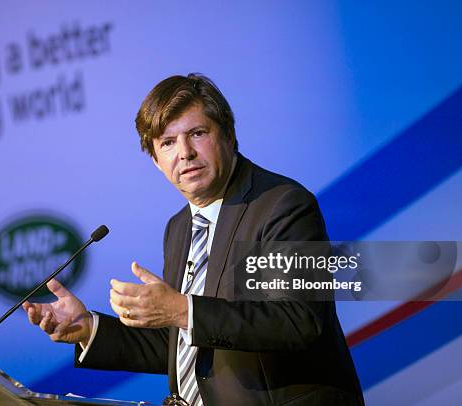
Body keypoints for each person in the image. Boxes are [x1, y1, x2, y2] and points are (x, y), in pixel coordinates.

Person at [23, 74, 364, 405]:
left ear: (229, 135)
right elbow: (185, 343)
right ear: (156, 161)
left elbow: (296, 321)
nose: (184, 152)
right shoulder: (179, 228)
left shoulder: (283, 205)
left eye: (197, 133)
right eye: (167, 143)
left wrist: (182, 309)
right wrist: (88, 329)